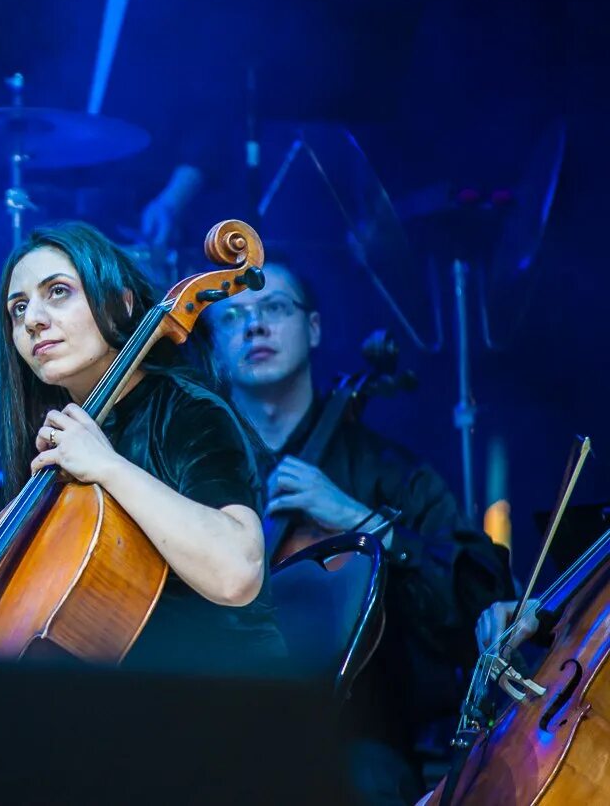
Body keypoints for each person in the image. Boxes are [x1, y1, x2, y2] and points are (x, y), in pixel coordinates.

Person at [0, 221, 285, 671]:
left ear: (122, 304)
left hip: (224, 698)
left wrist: (108, 466)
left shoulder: (187, 411)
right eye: (18, 309)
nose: (33, 320)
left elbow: (237, 574)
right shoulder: (66, 441)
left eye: (58, 292)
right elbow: (34, 616)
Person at [201, 262, 514, 805]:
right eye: (233, 317)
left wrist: (361, 521)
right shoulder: (195, 474)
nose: (254, 326)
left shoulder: (388, 472)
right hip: (215, 734)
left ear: (314, 328)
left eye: (274, 308)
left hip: (357, 741)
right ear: (216, 348)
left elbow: (482, 600)